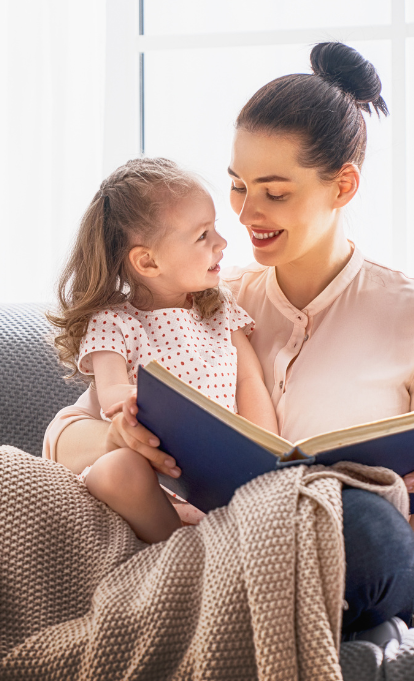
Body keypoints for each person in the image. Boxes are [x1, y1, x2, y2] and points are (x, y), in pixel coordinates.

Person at [44, 41, 414, 636]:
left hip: (354, 556)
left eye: (275, 192)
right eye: (238, 185)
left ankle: (226, 597)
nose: (246, 213)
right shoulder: (204, 299)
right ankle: (216, 603)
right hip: (218, 541)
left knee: (364, 524)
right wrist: (119, 437)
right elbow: (62, 436)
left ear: (343, 186)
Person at [47, 157, 279, 543]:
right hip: (153, 476)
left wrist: (266, 455)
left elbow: (249, 378)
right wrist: (148, 410)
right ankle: (182, 556)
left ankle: (199, 547)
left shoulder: (219, 310)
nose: (221, 242)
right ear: (148, 261)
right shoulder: (115, 322)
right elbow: (113, 395)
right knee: (116, 469)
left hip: (219, 479)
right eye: (203, 235)